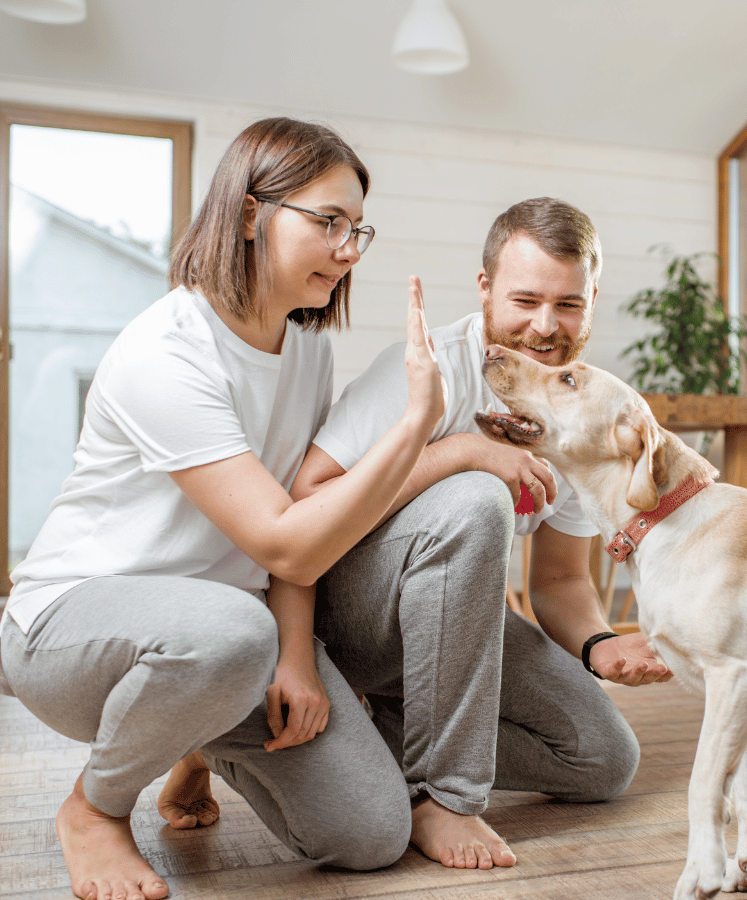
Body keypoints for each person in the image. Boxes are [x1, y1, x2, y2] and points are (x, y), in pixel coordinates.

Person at [0, 117, 447, 900]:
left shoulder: (307, 348)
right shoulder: (165, 352)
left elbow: (298, 508)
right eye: (328, 222)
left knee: (372, 833)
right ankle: (95, 808)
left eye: (357, 229)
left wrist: (297, 659)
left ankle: (190, 743)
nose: (349, 249)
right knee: (235, 631)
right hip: (74, 628)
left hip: (218, 645)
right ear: (249, 214)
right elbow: (286, 544)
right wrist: (415, 425)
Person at [279, 196, 673, 871]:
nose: (546, 326)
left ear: (592, 300)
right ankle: (444, 796)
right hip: (347, 617)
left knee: (602, 758)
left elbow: (559, 580)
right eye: (525, 299)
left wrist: (599, 643)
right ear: (485, 288)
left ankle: (378, 735)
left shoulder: (580, 416)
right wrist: (462, 451)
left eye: (568, 304)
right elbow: (306, 500)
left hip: (450, 632)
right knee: (475, 497)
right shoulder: (428, 367)